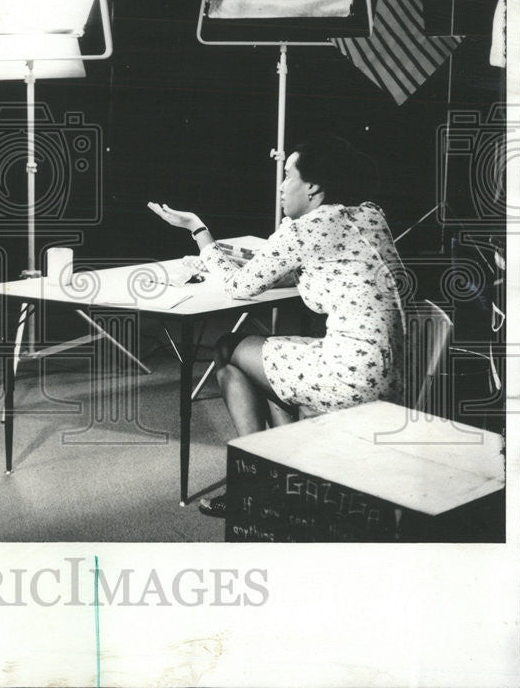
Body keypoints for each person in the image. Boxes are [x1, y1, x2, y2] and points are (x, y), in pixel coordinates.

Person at [149, 134, 406, 517]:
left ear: (313, 187)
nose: (281, 186)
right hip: (391, 375)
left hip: (348, 377)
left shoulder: (303, 229)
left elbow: (238, 286)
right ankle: (287, 475)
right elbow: (328, 268)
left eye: (288, 176)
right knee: (270, 356)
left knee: (227, 349)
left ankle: (256, 485)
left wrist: (199, 231)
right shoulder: (370, 215)